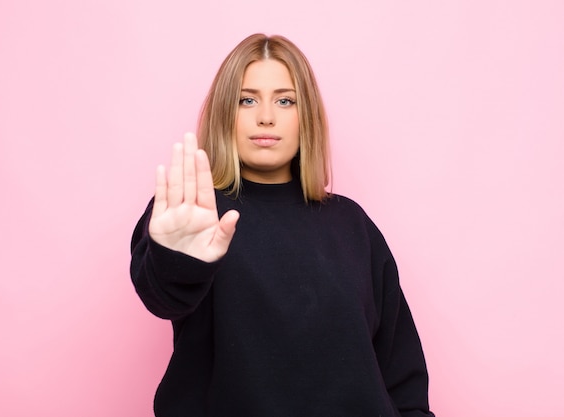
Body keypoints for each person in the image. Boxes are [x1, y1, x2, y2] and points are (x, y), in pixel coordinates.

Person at [130, 33, 435, 417]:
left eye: (285, 100)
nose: (266, 116)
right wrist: (177, 259)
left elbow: (399, 365)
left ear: (305, 115)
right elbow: (162, 295)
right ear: (226, 111)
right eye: (247, 99)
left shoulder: (352, 224)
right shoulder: (193, 212)